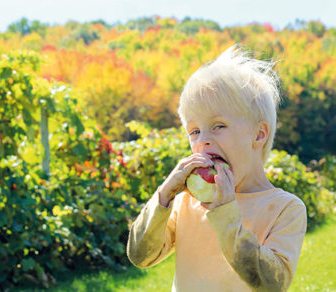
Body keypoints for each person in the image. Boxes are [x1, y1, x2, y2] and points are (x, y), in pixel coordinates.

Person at [126, 45, 307, 291]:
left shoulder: (286, 209)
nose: (202, 140)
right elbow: (141, 256)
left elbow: (272, 284)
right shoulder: (186, 202)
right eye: (195, 131)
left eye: (218, 126)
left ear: (259, 135)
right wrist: (165, 195)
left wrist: (225, 213)